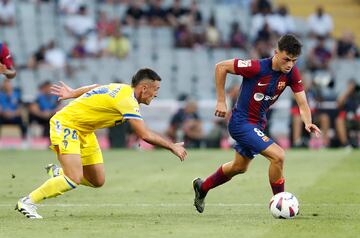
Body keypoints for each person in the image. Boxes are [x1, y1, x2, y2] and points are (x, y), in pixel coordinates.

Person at [15, 68, 187, 219]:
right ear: (144, 88)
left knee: (97, 180)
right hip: (67, 125)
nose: (156, 94)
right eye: (155, 89)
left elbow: (95, 87)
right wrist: (172, 146)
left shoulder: (122, 88)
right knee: (74, 178)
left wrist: (72, 93)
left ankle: (60, 172)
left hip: (85, 131)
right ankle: (28, 201)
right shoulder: (127, 100)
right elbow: (144, 134)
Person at [192, 34, 321, 213]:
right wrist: (221, 101)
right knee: (278, 156)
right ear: (276, 53)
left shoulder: (291, 73)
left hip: (258, 124)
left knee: (239, 167)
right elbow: (220, 67)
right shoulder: (256, 67)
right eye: (286, 59)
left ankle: (202, 187)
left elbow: (302, 102)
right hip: (241, 123)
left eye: (294, 60)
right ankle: (281, 204)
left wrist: (308, 122)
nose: (290, 64)